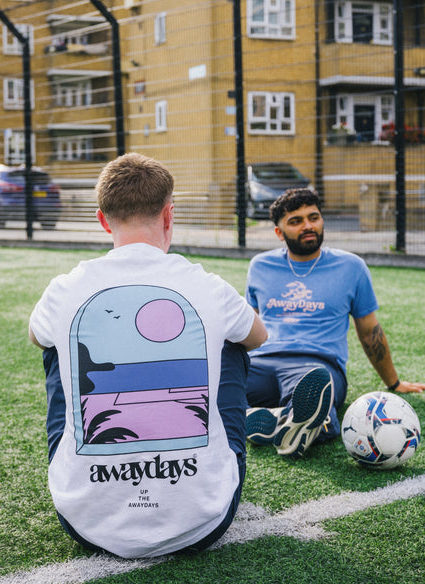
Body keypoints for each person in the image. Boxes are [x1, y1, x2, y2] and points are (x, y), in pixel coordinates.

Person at [29, 153, 266, 558]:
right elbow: (258, 336)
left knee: (54, 345)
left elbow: (35, 336)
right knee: (233, 341)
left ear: (103, 220)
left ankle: (90, 470)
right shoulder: (206, 285)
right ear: (169, 215)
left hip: (84, 521)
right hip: (203, 520)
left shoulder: (65, 288)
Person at [245, 187, 425, 460]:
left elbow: (370, 332)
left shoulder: (351, 267)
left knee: (311, 391)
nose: (308, 226)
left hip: (316, 366)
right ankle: (286, 420)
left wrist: (394, 383)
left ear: (322, 220)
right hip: (261, 360)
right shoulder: (260, 265)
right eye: (296, 221)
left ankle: (293, 418)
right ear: (279, 232)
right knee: (217, 393)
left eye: (314, 217)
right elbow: (249, 324)